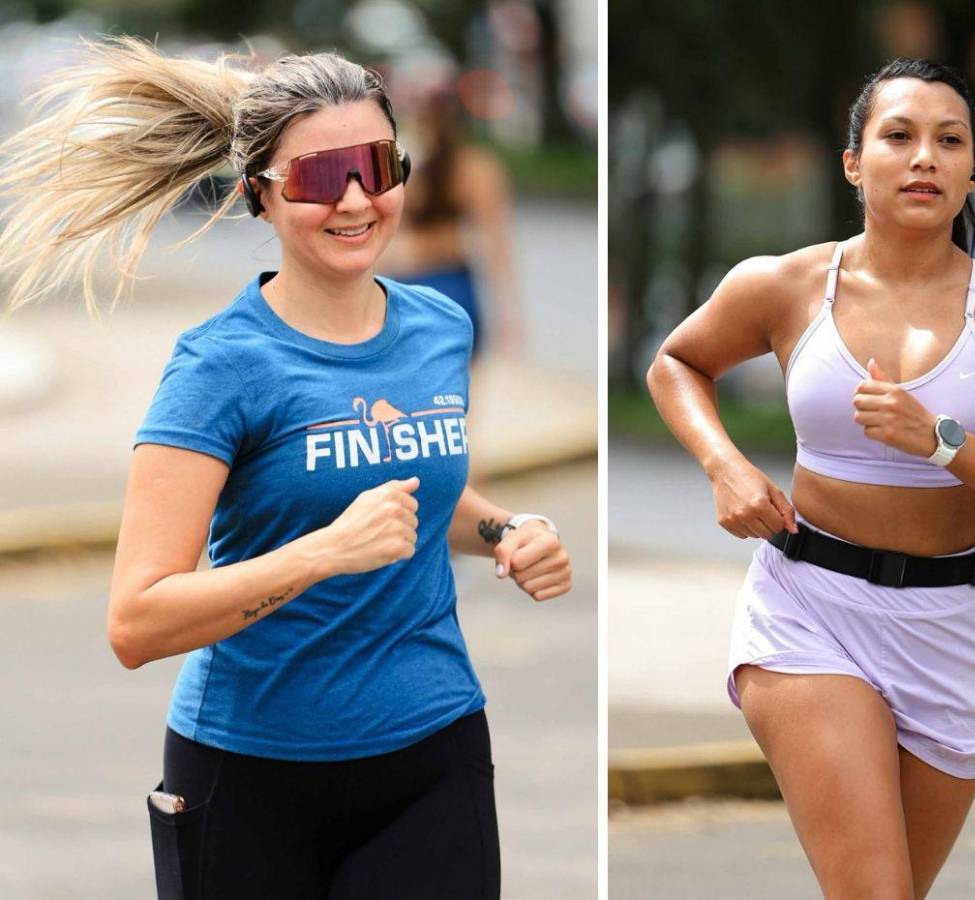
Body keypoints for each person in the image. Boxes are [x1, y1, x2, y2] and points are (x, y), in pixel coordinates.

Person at [0, 37, 571, 898]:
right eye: (316, 176)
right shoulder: (219, 367)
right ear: (256, 196)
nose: (353, 198)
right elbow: (136, 622)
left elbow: (419, 489)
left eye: (375, 166)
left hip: (434, 754)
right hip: (248, 777)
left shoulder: (437, 330)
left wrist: (506, 530)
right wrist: (322, 554)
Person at [646, 58, 975, 899]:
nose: (926, 157)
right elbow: (677, 362)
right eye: (900, 136)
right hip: (812, 606)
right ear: (854, 163)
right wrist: (725, 465)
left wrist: (943, 441)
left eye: (949, 141)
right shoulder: (786, 283)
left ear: (973, 169)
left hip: (958, 624)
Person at [376, 66, 522, 359]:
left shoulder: (406, 165)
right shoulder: (479, 170)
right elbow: (497, 247)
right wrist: (510, 313)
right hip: (455, 284)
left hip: (409, 283)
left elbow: (384, 237)